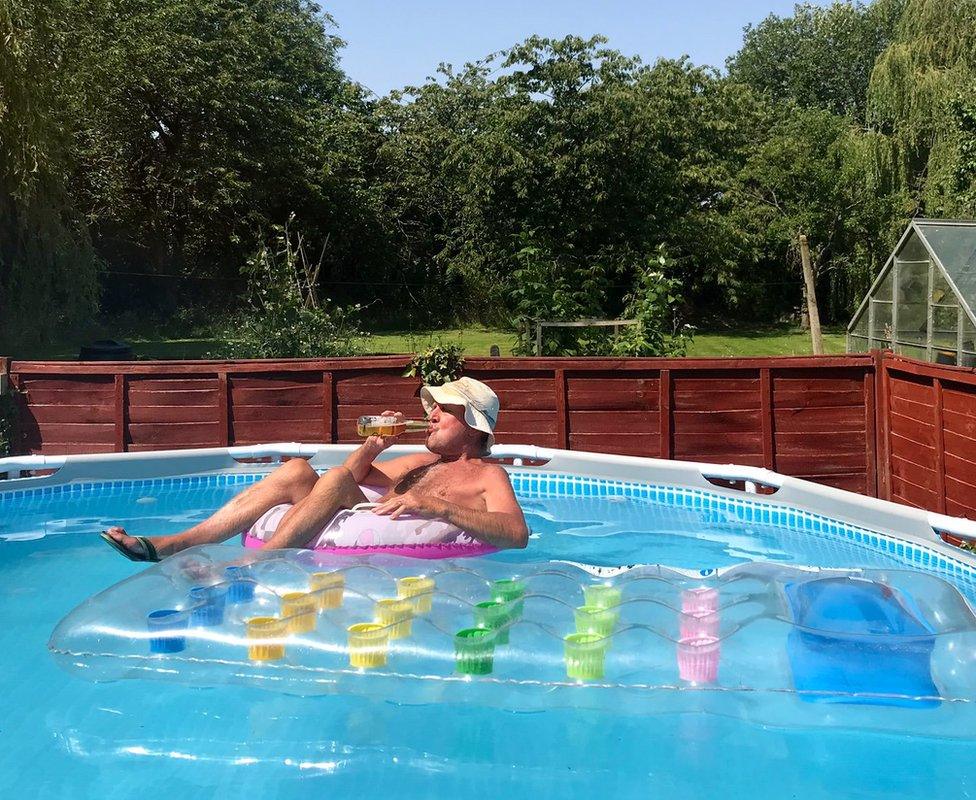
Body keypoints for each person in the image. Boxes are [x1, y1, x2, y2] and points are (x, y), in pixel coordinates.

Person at [101, 377, 528, 561]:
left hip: (399, 532)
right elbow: (352, 480)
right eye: (431, 406)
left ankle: (264, 561)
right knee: (296, 469)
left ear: (473, 426)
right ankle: (177, 542)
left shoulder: (489, 475)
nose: (430, 414)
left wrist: (441, 509)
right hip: (366, 515)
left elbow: (517, 534)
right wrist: (372, 448)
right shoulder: (420, 462)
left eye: (444, 409)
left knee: (337, 478)